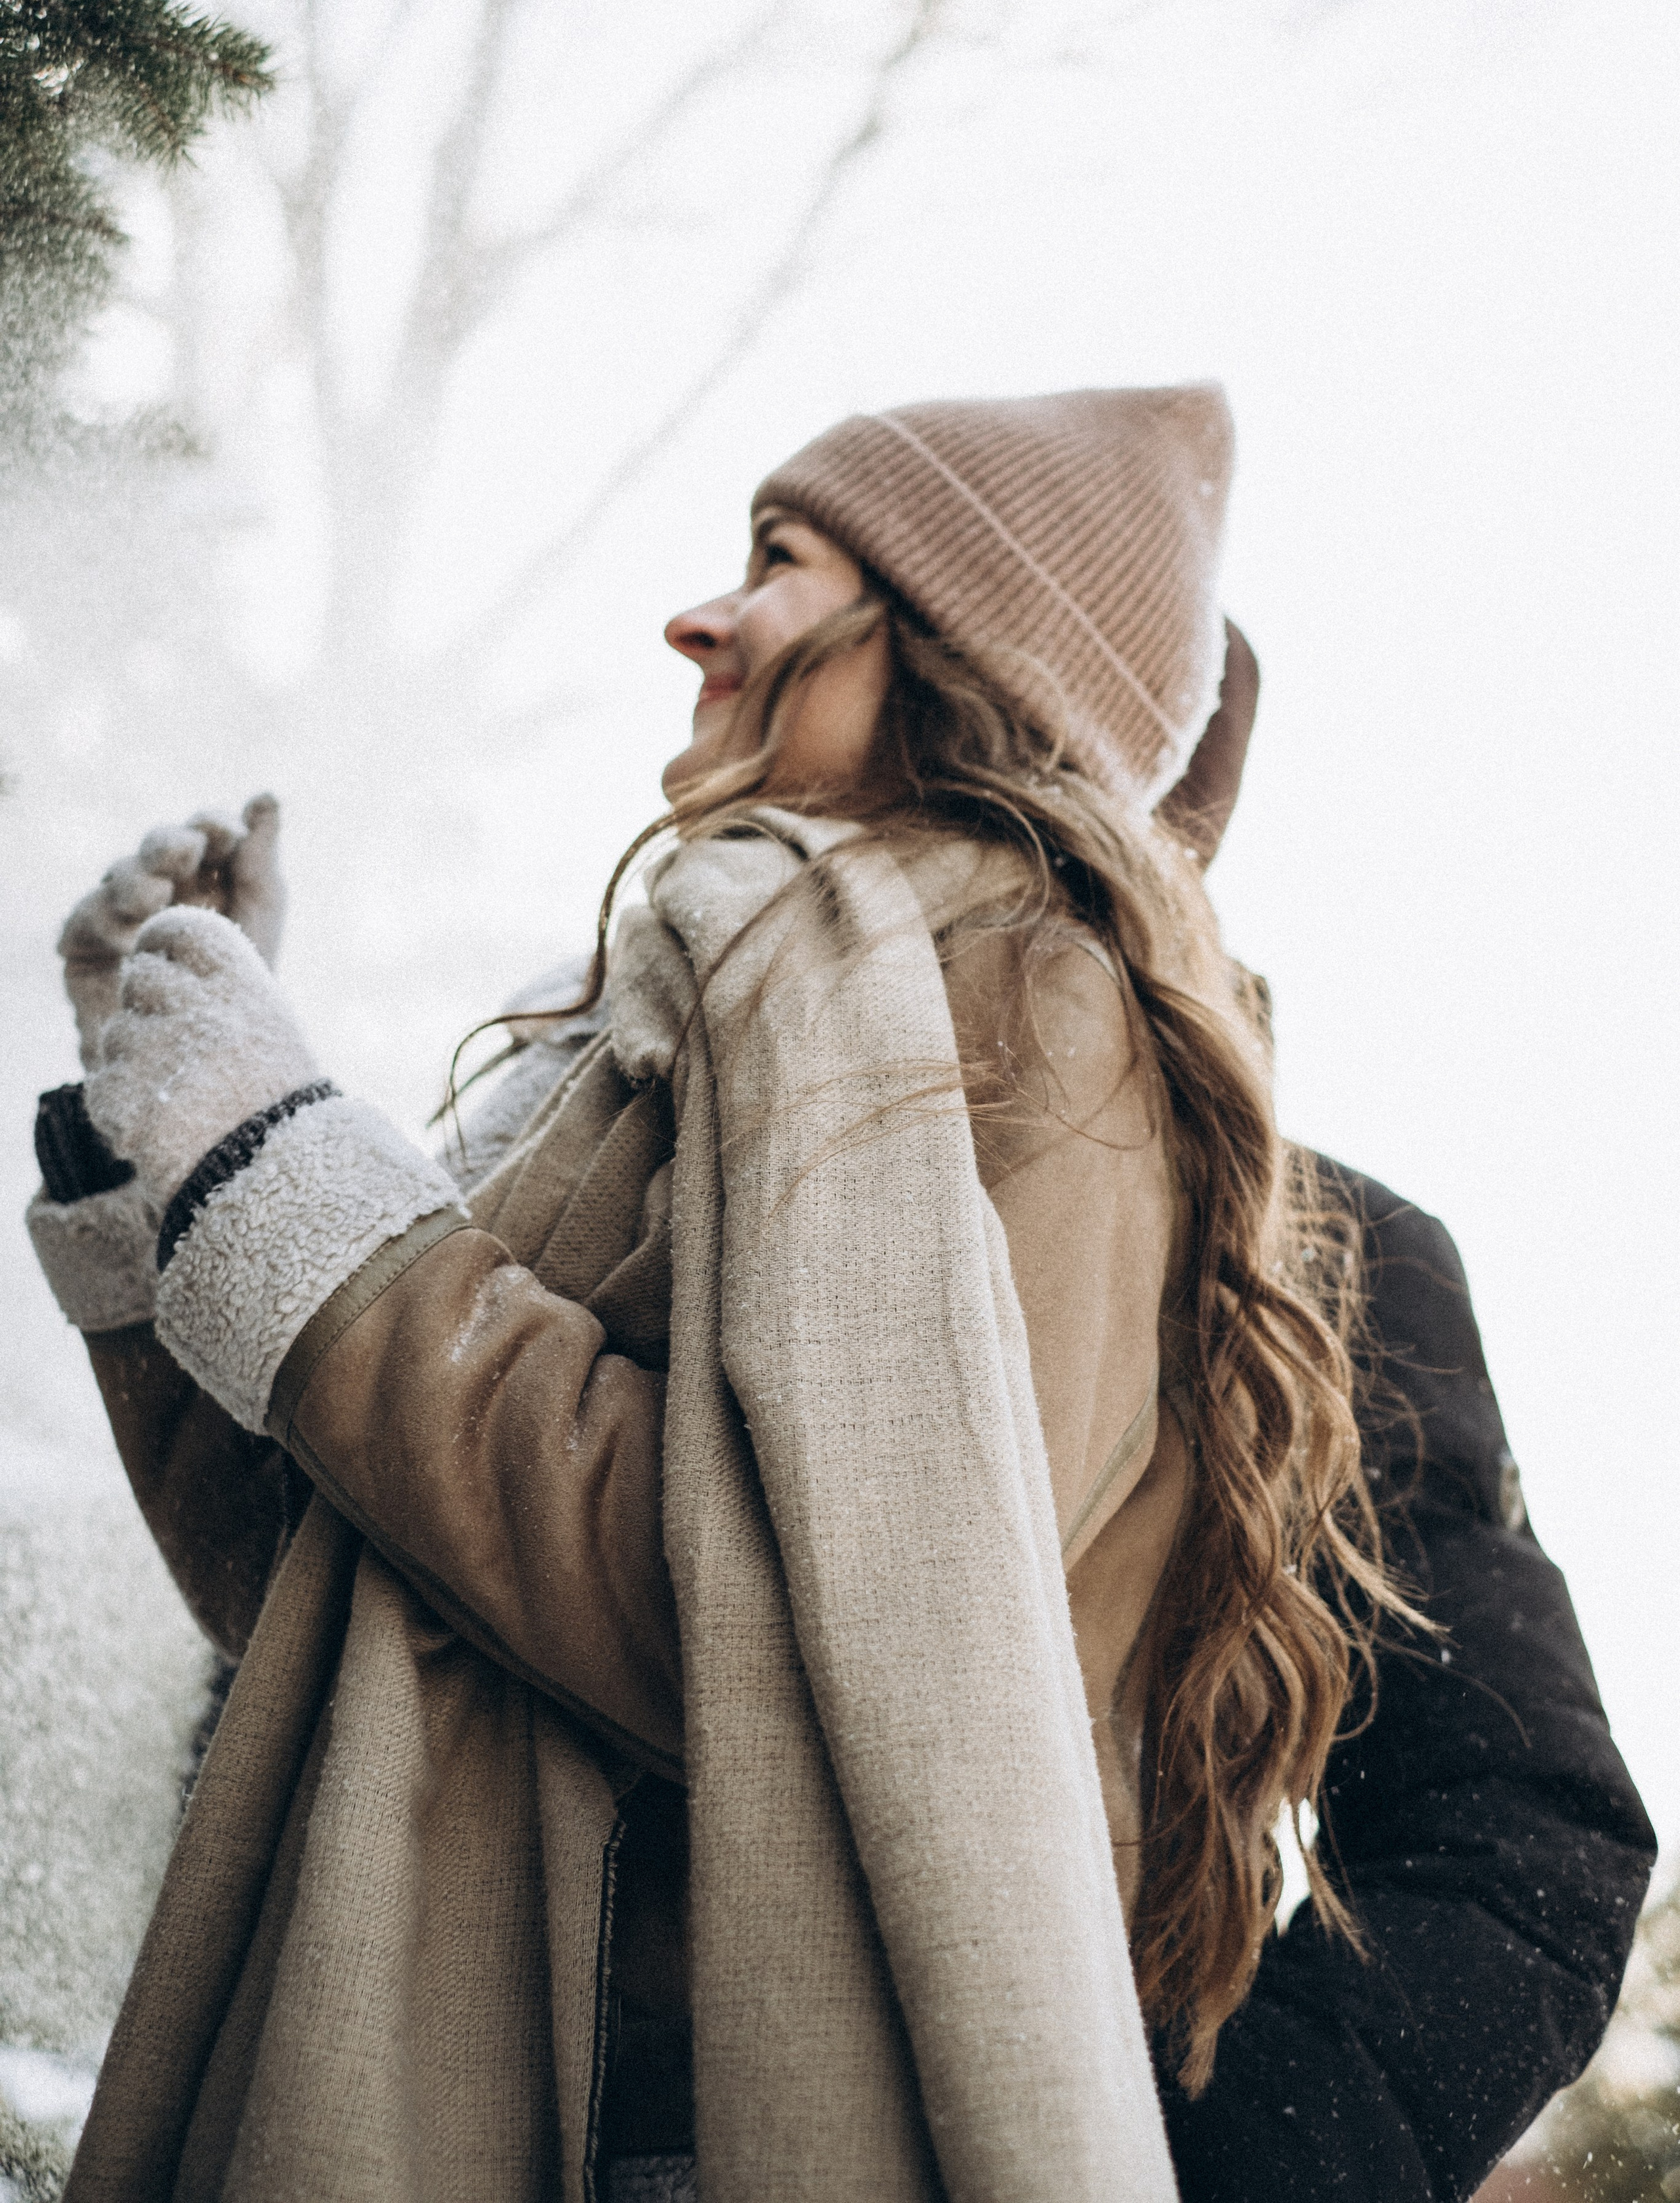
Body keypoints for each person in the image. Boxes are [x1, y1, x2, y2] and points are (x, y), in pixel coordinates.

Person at [25, 387, 1650, 2203]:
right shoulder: (632, 1094)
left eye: (784, 571)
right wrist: (162, 1148)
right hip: (483, 2107)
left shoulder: (1195, 1157)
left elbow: (1514, 1841)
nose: (704, 625)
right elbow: (342, 1589)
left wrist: (1167, 2165)